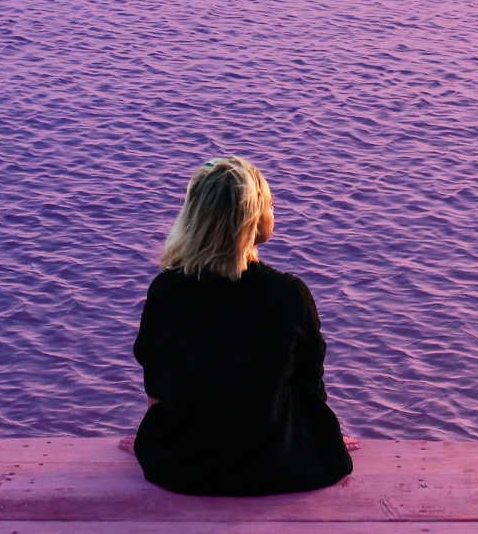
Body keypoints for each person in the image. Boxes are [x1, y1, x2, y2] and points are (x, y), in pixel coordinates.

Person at [121, 156, 357, 497]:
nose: (274, 208)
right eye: (269, 204)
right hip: (278, 467)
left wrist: (159, 440)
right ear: (251, 221)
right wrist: (325, 437)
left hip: (183, 467)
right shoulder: (289, 295)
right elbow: (310, 384)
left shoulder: (167, 291)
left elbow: (156, 383)